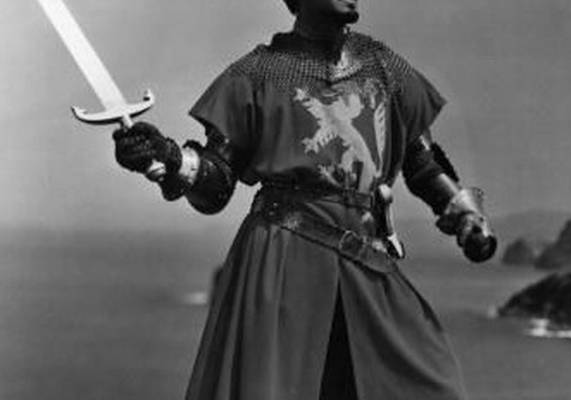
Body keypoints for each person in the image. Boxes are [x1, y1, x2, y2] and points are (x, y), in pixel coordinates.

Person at [111, 0, 497, 398]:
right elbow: (217, 183)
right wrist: (170, 158)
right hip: (282, 261)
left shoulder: (383, 65)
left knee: (433, 384)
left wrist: (461, 212)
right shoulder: (257, 74)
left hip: (367, 260)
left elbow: (421, 159)